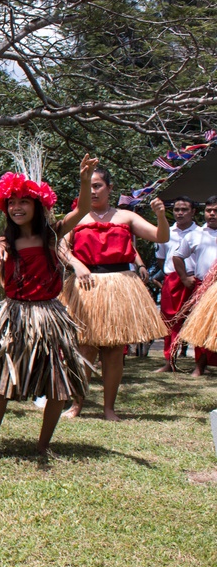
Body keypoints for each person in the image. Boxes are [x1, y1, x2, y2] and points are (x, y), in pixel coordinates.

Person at [0, 153, 96, 464]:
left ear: (39, 204)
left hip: (50, 315)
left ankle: (42, 445)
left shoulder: (52, 235)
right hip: (15, 315)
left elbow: (83, 209)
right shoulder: (5, 240)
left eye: (24, 200)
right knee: (2, 384)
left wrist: (82, 181)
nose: (17, 207)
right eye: (11, 202)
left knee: (57, 385)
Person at [60, 166, 169, 421]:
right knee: (84, 348)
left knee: (113, 350)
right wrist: (76, 263)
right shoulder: (77, 217)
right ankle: (76, 404)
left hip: (119, 285)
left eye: (98, 186)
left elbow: (160, 236)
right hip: (86, 285)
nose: (93, 191)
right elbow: (60, 248)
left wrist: (161, 216)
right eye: (89, 186)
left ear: (110, 188)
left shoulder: (126, 216)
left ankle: (109, 408)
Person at [173, 195, 217, 376]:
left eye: (216, 211)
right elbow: (177, 256)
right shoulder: (196, 234)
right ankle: (199, 367)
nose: (212, 214)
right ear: (204, 212)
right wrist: (184, 278)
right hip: (204, 288)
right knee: (202, 328)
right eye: (209, 211)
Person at [154, 196, 198, 372]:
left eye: (184, 209)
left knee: (200, 320)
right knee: (169, 322)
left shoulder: (202, 232)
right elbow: (161, 259)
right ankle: (169, 361)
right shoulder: (166, 232)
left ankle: (201, 363)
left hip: (196, 280)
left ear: (193, 212)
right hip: (172, 280)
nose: (180, 213)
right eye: (177, 209)